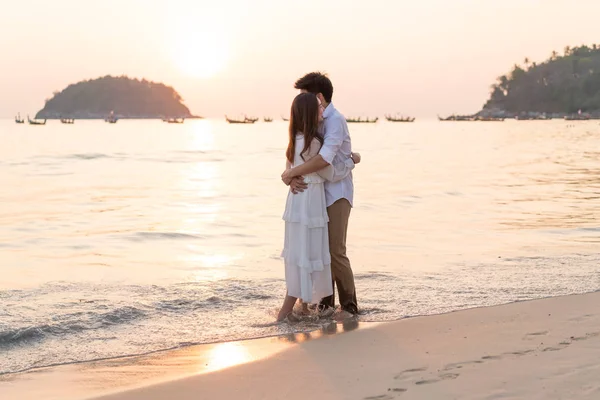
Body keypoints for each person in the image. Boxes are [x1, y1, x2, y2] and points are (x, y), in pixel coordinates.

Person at [281, 72, 359, 317]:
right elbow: (296, 152)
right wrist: (290, 175)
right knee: (318, 252)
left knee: (335, 250)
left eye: (305, 96)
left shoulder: (335, 120)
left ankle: (349, 306)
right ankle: (324, 305)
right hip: (314, 195)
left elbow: (323, 160)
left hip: (336, 193)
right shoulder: (310, 122)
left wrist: (290, 174)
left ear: (319, 97)